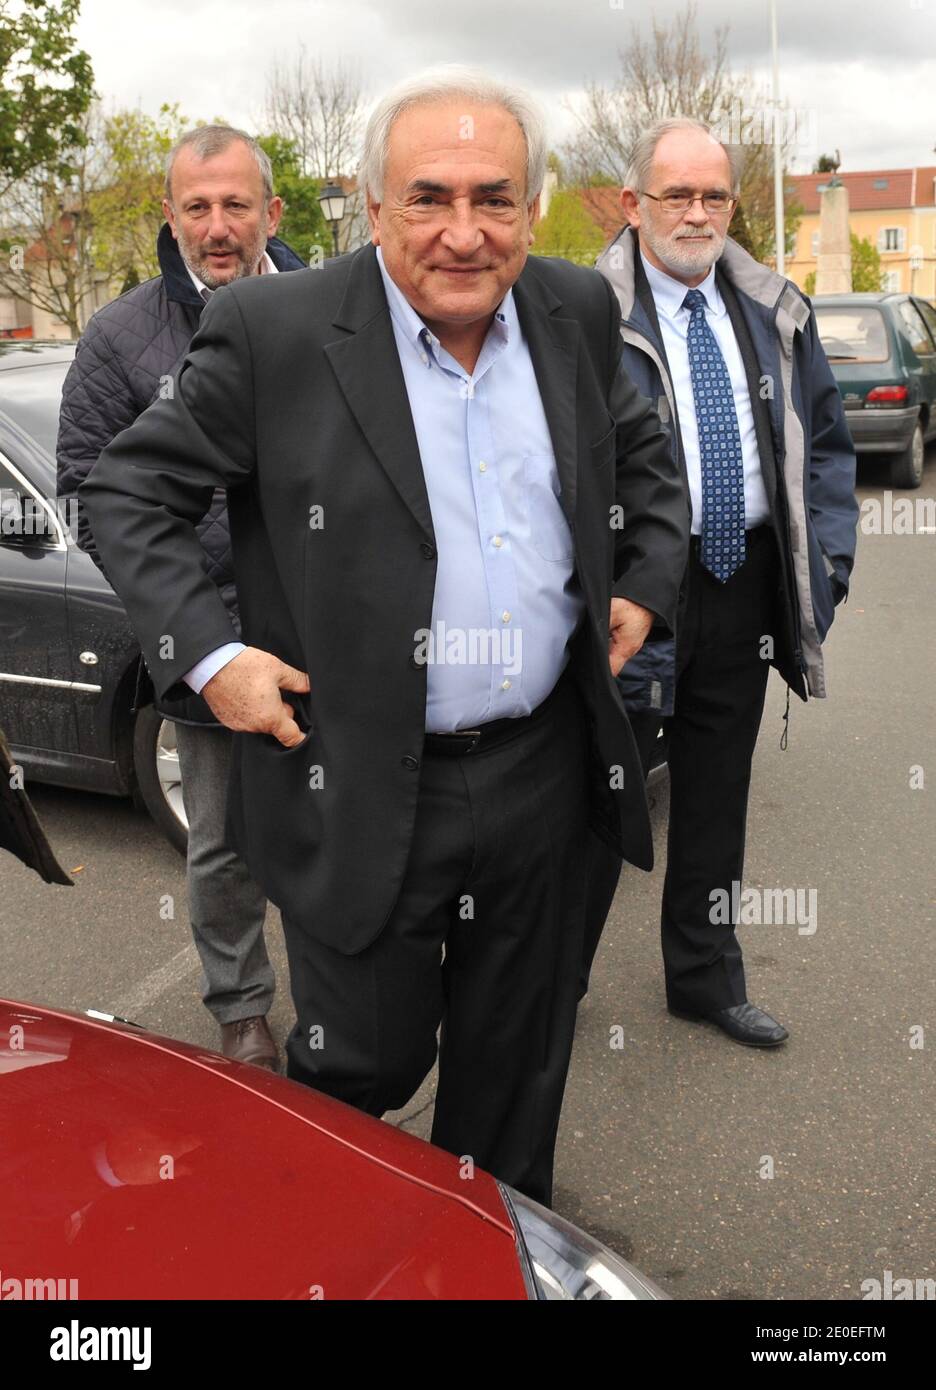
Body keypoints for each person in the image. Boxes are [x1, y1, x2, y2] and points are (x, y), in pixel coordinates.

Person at [78, 68, 688, 1206]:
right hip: (352, 774)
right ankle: (332, 1248)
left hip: (544, 772)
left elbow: (644, 458)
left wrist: (645, 582)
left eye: (495, 198)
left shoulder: (576, 310)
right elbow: (125, 492)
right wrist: (213, 658)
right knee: (364, 1064)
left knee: (515, 1074)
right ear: (370, 209)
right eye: (429, 198)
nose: (465, 232)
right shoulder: (274, 328)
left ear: (533, 206)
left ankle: (492, 1250)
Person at [584, 117, 858, 1046]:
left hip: (740, 586)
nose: (697, 215)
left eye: (714, 196)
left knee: (714, 794)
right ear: (635, 204)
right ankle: (546, 983)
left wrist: (826, 566)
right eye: (676, 196)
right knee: (596, 793)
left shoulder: (773, 306)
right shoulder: (581, 314)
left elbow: (824, 448)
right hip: (629, 597)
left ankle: (703, 976)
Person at [58, 126, 306, 1070]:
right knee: (224, 847)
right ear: (169, 214)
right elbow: (90, 492)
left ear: (271, 213)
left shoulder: (339, 310)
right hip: (211, 642)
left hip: (332, 631)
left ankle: (342, 1002)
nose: (216, 225)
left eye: (236, 204)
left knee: (351, 823)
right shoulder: (122, 337)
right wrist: (202, 638)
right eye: (196, 206)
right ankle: (242, 1010)